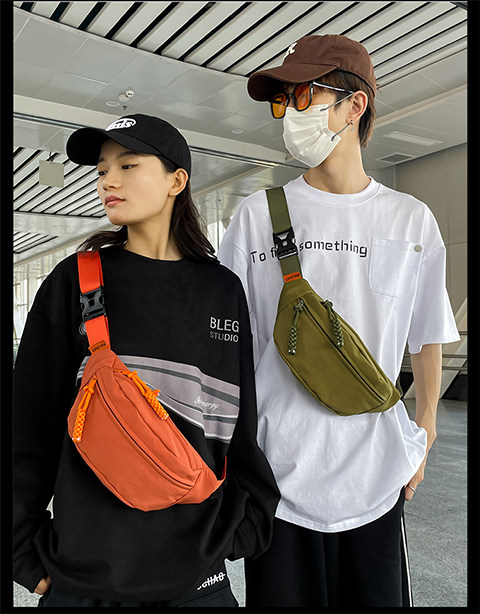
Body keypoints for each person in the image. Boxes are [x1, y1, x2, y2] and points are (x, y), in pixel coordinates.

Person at [217, 35, 460, 608]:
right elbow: (227, 343)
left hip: (377, 473)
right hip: (279, 476)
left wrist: (425, 426)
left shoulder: (410, 220)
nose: (290, 113)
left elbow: (427, 331)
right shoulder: (256, 216)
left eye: (304, 96)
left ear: (355, 106)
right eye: (284, 101)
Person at [13, 113, 280, 608]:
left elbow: (237, 422)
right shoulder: (75, 282)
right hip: (86, 576)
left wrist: (247, 524)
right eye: (101, 170)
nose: (108, 181)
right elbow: (29, 422)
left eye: (128, 165)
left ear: (177, 181)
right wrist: (22, 553)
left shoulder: (222, 290)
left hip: (197, 578)